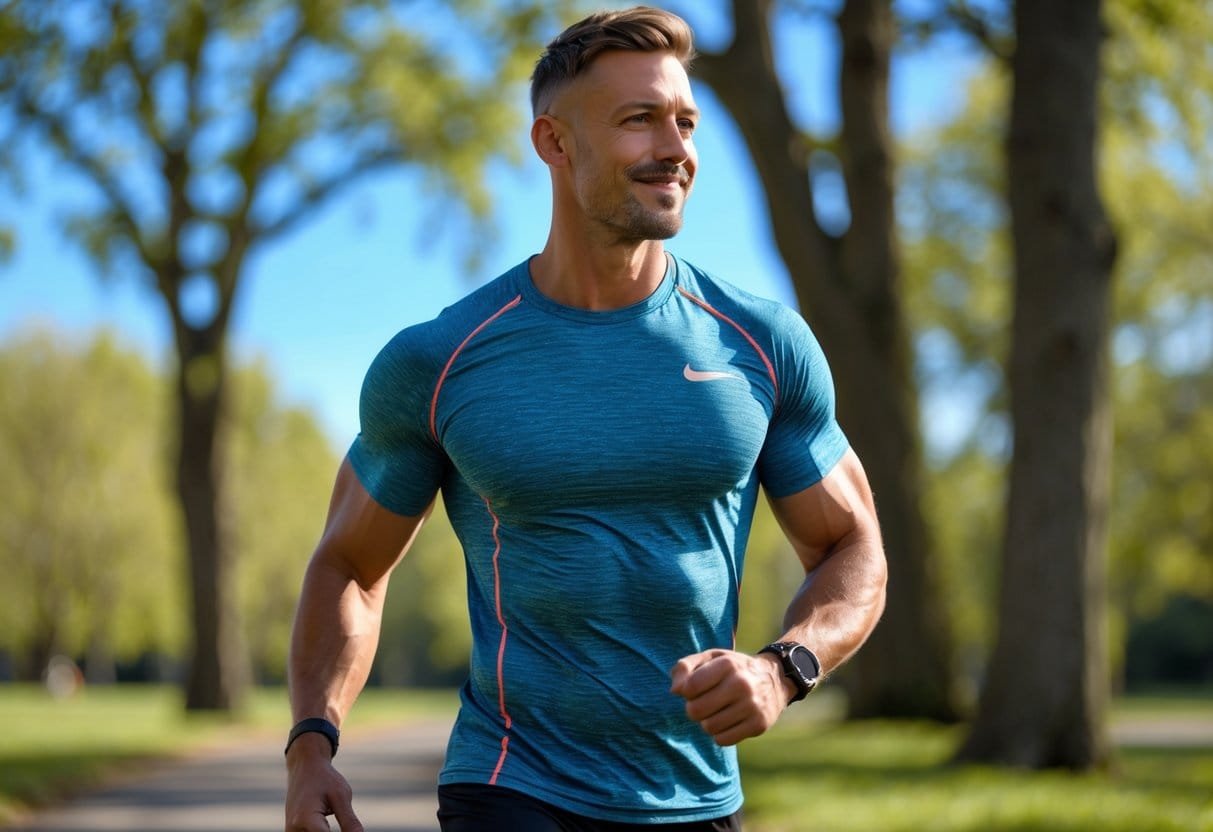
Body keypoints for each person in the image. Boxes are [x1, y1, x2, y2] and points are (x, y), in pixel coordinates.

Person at [284, 6, 887, 831]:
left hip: (695, 797)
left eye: (684, 122)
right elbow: (351, 566)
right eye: (640, 120)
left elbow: (851, 545)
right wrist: (313, 743)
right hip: (509, 783)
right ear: (554, 144)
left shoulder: (760, 343)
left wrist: (784, 667)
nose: (674, 149)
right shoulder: (443, 358)